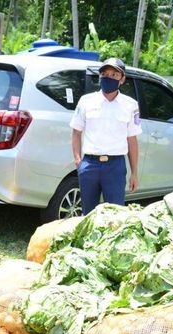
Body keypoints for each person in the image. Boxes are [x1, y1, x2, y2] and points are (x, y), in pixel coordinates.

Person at [70, 57, 141, 215]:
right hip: (89, 165)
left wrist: (134, 173)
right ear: (100, 76)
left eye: (114, 75)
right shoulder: (86, 101)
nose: (108, 77)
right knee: (87, 214)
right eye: (105, 74)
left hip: (115, 167)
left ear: (122, 79)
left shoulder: (131, 105)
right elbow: (76, 132)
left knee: (115, 216)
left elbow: (132, 141)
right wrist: (78, 161)